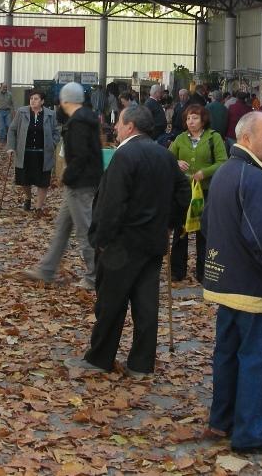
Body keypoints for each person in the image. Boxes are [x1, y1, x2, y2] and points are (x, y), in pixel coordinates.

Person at [68, 106, 189, 378]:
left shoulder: (124, 155)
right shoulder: (164, 154)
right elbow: (183, 191)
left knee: (111, 303)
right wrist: (169, 222)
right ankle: (141, 364)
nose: (115, 128)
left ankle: (100, 358)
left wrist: (101, 239)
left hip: (121, 244)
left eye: (119, 123)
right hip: (152, 241)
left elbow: (112, 202)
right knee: (146, 305)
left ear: (130, 126)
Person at [202, 111, 262, 455]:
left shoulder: (226, 171)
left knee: (227, 355)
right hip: (255, 288)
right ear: (246, 139)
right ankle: (250, 434)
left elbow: (209, 224)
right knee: (259, 361)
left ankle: (221, 420)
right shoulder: (253, 178)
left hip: (227, 282)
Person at [22, 82, 103, 289]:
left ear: (64, 100)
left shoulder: (77, 123)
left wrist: (67, 175)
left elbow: (80, 156)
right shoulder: (86, 118)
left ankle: (94, 276)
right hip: (82, 182)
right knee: (63, 227)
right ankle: (47, 269)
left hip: (80, 184)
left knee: (84, 230)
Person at [168, 104, 227, 283]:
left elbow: (223, 161)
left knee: (204, 231)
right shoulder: (180, 138)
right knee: (181, 230)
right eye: (188, 118)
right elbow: (167, 158)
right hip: (184, 191)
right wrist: (176, 162)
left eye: (195, 118)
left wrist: (204, 173)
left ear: (203, 120)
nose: (191, 122)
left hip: (206, 191)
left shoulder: (213, 137)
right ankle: (177, 270)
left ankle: (204, 271)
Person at [6, 89, 59, 213]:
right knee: (24, 180)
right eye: (31, 99)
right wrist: (11, 147)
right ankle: (28, 197)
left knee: (43, 181)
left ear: (42, 101)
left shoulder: (51, 114)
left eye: (36, 99)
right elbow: (12, 130)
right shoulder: (21, 112)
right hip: (25, 152)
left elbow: (56, 131)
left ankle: (38, 207)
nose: (33, 101)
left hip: (43, 154)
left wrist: (52, 144)